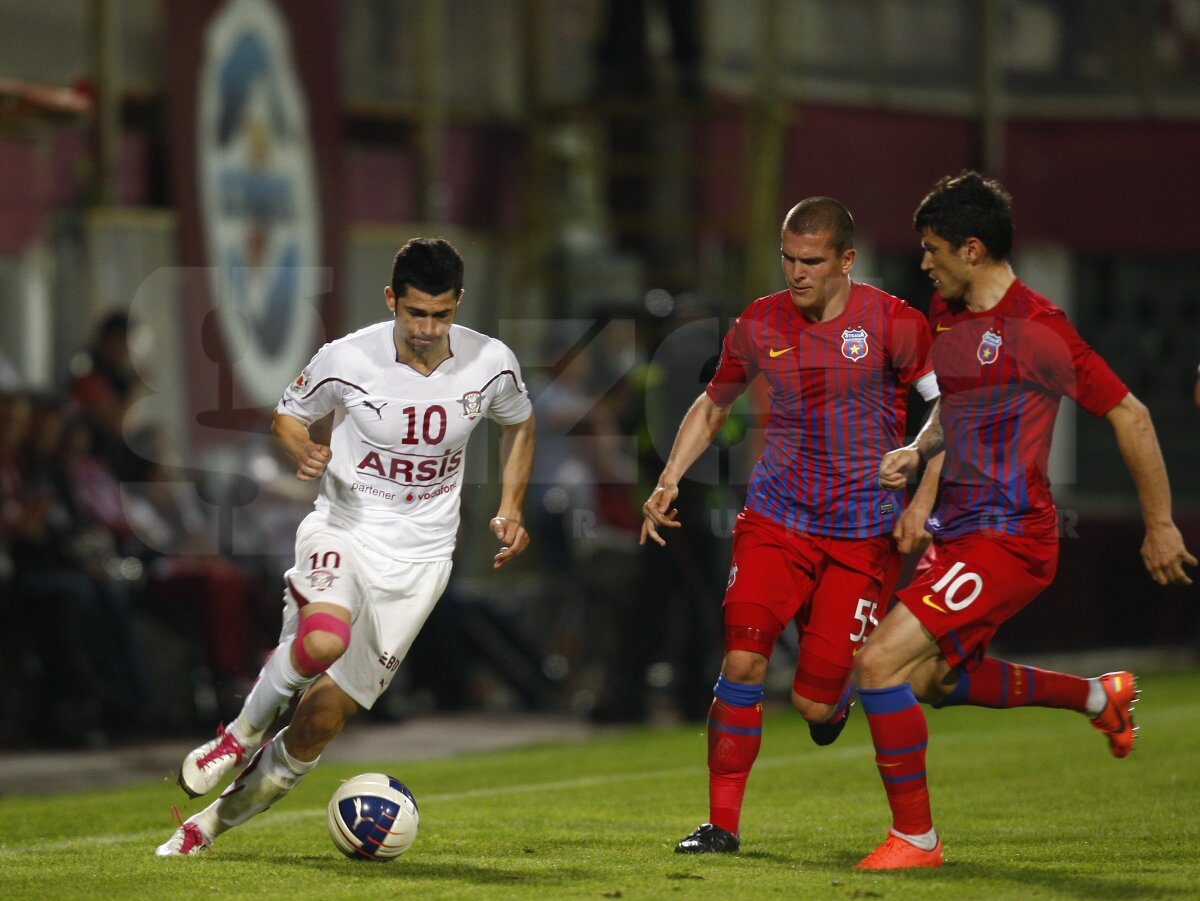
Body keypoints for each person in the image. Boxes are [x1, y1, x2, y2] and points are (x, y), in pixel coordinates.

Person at [856, 171, 1197, 870]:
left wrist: (1159, 523)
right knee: (930, 683)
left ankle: (916, 840)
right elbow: (954, 403)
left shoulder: (1038, 329)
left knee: (878, 663)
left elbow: (1130, 413)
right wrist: (917, 453)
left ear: (972, 249)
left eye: (933, 249)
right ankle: (1100, 695)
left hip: (1011, 538)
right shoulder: (948, 314)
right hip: (961, 534)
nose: (925, 261)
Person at [157, 237, 536, 856]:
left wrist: (512, 506)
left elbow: (521, 422)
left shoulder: (491, 363)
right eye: (415, 312)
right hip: (346, 528)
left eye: (441, 314)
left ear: (458, 305)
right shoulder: (346, 358)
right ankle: (237, 736)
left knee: (321, 721)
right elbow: (288, 413)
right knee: (322, 639)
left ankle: (206, 828)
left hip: (421, 564)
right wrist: (300, 446)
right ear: (391, 300)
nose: (426, 327)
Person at [640, 197, 940, 854]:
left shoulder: (895, 323)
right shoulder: (759, 320)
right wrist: (669, 476)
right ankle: (722, 824)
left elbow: (947, 410)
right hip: (777, 517)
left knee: (811, 701)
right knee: (743, 656)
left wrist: (918, 476)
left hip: (864, 532)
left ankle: (830, 698)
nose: (796, 272)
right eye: (788, 258)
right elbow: (713, 403)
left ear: (846, 261)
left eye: (811, 261)